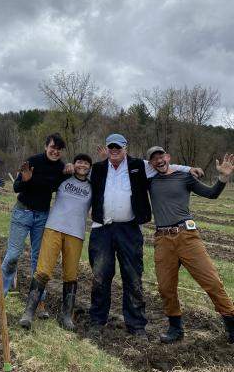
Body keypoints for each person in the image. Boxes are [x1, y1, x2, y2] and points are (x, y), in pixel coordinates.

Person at [88, 133, 200, 338]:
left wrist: (188, 169)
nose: (114, 150)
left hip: (129, 230)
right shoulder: (97, 168)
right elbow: (78, 172)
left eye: (118, 147)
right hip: (101, 229)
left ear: (125, 148)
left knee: (132, 277)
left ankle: (136, 324)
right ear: (107, 148)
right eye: (111, 147)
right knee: (100, 276)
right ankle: (97, 320)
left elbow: (164, 165)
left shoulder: (140, 165)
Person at [148, 147, 234, 344]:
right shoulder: (150, 181)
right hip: (162, 239)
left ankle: (231, 324)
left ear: (168, 158)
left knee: (211, 281)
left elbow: (211, 194)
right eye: (154, 159)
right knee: (165, 287)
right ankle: (175, 328)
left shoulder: (184, 177)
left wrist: (222, 178)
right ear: (151, 164)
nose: (159, 161)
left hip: (187, 236)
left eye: (161, 156)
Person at [0, 133, 68, 321]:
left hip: (43, 216)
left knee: (39, 261)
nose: (55, 151)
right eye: (52, 147)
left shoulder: (61, 168)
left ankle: (38, 302)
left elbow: (65, 185)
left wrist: (70, 170)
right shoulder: (33, 161)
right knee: (13, 255)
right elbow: (16, 188)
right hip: (23, 212)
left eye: (59, 149)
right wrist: (26, 179)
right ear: (46, 146)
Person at [19, 153, 92, 331]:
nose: (82, 165)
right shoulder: (63, 179)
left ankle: (66, 315)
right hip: (54, 228)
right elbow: (45, 181)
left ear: (90, 167)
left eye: (86, 163)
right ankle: (29, 312)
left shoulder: (93, 186)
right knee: (43, 270)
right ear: (73, 165)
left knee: (71, 275)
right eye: (79, 162)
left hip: (76, 233)